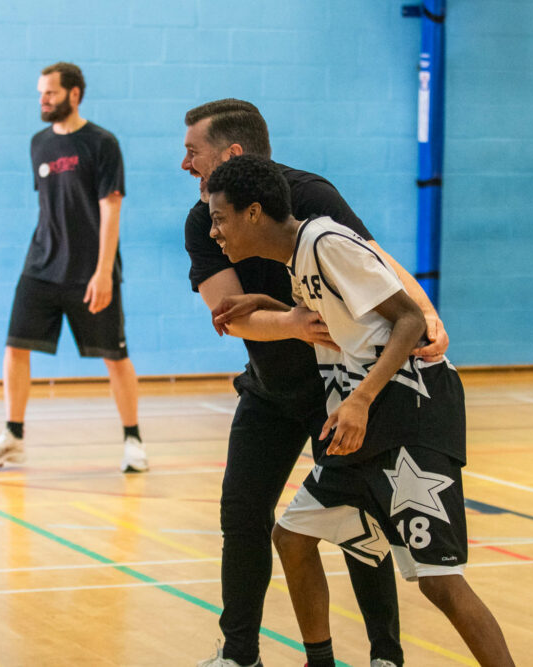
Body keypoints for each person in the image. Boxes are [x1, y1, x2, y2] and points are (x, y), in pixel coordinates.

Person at [207, 155, 515, 667]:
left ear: (254, 212)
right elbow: (342, 320)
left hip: (411, 413)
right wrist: (267, 304)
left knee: (437, 581)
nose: (214, 231)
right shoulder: (299, 256)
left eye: (220, 218)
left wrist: (360, 400)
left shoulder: (327, 243)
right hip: (367, 422)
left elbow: (409, 320)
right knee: (293, 537)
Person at [183, 100, 450, 667]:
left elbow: (375, 260)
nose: (185, 163)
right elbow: (228, 313)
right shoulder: (204, 222)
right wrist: (293, 324)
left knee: (359, 525)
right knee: (243, 516)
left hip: (342, 391)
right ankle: (239, 655)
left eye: (193, 151)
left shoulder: (313, 199)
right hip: (271, 389)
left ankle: (385, 655)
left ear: (232, 154)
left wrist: (427, 313)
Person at [0, 62, 147, 473]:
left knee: (115, 357)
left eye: (49, 93)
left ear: (74, 94)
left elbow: (110, 209)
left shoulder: (102, 143)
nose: (42, 100)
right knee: (15, 347)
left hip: (90, 272)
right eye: (40, 93)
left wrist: (103, 272)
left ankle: (134, 440)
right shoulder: (39, 144)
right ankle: (13, 436)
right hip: (41, 265)